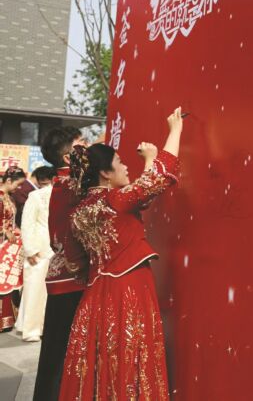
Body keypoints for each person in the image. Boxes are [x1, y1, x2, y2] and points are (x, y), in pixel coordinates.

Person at [59, 107, 183, 401]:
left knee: (98, 362)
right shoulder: (116, 201)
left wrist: (148, 161)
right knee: (132, 355)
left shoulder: (79, 213)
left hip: (94, 297)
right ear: (105, 173)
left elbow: (75, 264)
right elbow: (158, 178)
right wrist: (175, 130)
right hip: (129, 289)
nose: (126, 167)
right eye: (120, 162)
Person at [33, 126, 87, 401]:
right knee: (63, 354)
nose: (89, 147)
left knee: (56, 352)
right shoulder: (74, 186)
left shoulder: (66, 183)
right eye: (83, 144)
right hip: (73, 280)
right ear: (69, 157)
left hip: (63, 278)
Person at [15, 167, 59, 341]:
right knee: (34, 289)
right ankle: (31, 330)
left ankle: (33, 325)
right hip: (38, 247)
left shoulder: (66, 195)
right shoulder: (36, 196)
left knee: (46, 291)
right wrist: (30, 249)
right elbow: (27, 223)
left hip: (56, 248)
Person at [0, 166, 27, 330]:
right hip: (2, 243)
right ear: (9, 180)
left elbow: (11, 221)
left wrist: (17, 230)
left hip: (9, 244)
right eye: (18, 184)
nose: (19, 188)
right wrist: (4, 231)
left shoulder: (9, 197)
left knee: (9, 280)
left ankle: (7, 319)